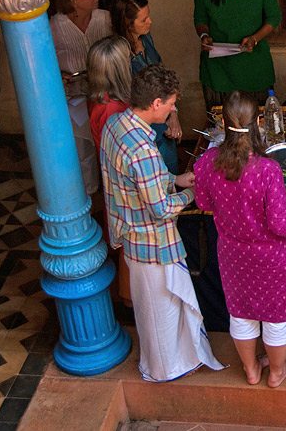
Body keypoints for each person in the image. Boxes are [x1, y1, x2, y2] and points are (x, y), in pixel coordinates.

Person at [100, 64, 224, 382]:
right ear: (156, 104)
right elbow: (162, 209)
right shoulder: (143, 149)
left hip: (130, 234)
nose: (174, 108)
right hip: (152, 244)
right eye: (171, 103)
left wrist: (176, 178)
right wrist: (192, 194)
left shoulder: (116, 124)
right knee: (161, 312)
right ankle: (163, 369)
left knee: (157, 309)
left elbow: (136, 180)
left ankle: (177, 360)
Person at [193, 91, 286, 388]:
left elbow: (203, 203)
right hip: (272, 257)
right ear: (258, 122)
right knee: (276, 317)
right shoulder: (268, 169)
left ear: (223, 124)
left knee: (242, 313)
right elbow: (283, 225)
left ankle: (250, 370)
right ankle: (275, 372)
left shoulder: (207, 162)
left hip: (234, 254)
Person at [194, 0, 282, 109]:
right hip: (218, 69)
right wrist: (204, 35)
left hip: (254, 64)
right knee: (222, 126)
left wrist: (255, 39)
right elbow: (200, 19)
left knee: (260, 121)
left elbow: (274, 17)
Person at [50, 0, 112, 194]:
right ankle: (89, 192)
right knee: (82, 147)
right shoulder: (56, 25)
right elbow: (44, 60)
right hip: (73, 96)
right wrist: (59, 74)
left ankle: (112, 189)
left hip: (104, 92)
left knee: (108, 144)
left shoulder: (105, 18)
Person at [86, 35, 133, 306]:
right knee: (129, 243)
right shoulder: (112, 109)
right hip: (122, 184)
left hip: (113, 180)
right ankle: (128, 297)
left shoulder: (100, 99)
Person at [111, 0, 180, 174]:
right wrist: (163, 121)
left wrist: (173, 114)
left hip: (164, 118)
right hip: (147, 127)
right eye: (143, 20)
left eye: (149, 15)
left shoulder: (146, 38)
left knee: (172, 172)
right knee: (155, 176)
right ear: (127, 23)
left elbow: (163, 78)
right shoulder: (121, 54)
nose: (150, 22)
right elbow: (130, 98)